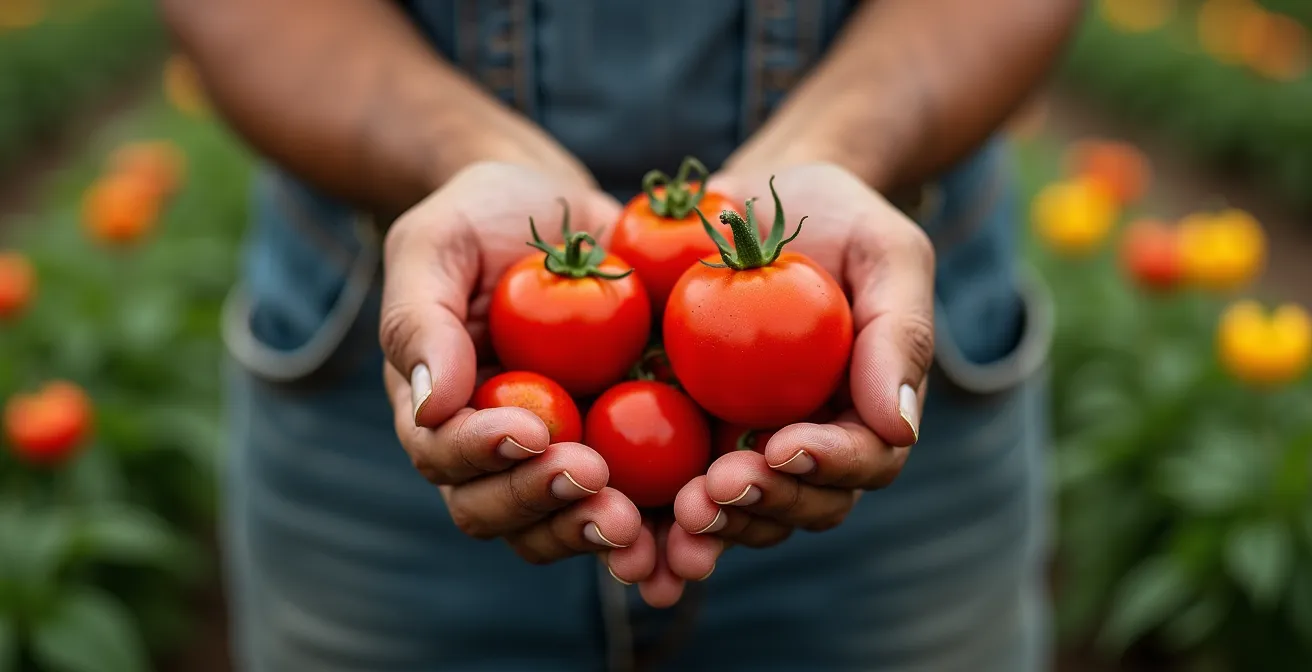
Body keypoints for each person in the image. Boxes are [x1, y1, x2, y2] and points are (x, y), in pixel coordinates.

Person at [163, 1, 1081, 669]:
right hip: (363, 420)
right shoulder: (724, 291)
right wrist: (460, 153)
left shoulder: (719, 294)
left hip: (913, 435)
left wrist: (839, 149)